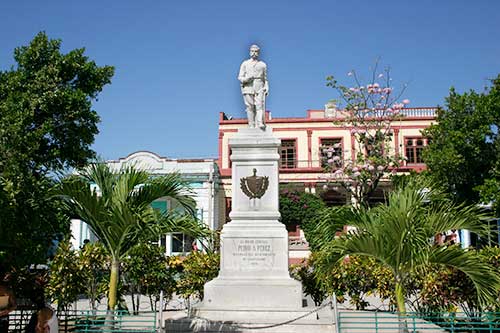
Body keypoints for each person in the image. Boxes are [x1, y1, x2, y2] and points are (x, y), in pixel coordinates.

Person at [238, 44, 269, 130]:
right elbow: (240, 77)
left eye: (256, 51)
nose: (254, 53)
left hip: (259, 85)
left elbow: (265, 78)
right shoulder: (245, 63)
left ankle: (260, 123)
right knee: (250, 106)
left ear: (258, 53)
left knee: (259, 105)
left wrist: (266, 86)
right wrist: (246, 79)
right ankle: (251, 124)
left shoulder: (263, 65)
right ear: (249, 52)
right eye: (252, 51)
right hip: (248, 86)